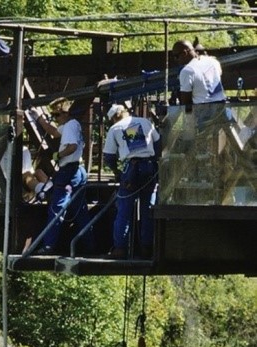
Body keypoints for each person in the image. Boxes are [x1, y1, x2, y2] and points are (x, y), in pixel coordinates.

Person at [31, 98, 94, 255]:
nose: (55, 118)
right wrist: (38, 117)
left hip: (68, 172)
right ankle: (90, 246)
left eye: (56, 115)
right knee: (80, 211)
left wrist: (58, 155)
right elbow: (53, 131)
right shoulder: (71, 125)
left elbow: (71, 147)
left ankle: (48, 246)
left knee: (57, 208)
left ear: (65, 113)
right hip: (78, 171)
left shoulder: (70, 127)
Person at [103, 103, 161, 259]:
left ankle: (120, 248)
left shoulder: (115, 128)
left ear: (114, 117)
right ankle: (146, 248)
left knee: (124, 210)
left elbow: (108, 157)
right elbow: (158, 142)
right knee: (148, 208)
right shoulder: (145, 122)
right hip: (149, 168)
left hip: (132, 170)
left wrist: (117, 172)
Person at [171, 39, 225, 111]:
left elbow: (186, 103)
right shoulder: (213, 61)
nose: (175, 59)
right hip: (222, 107)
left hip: (202, 111)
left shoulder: (187, 71)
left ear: (184, 53)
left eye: (176, 56)